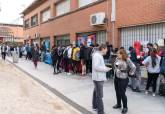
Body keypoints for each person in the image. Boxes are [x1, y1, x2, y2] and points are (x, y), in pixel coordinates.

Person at [113, 49, 136, 114]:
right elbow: (115, 66)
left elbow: (133, 67)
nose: (117, 54)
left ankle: (125, 107)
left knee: (122, 93)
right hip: (116, 77)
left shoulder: (127, 59)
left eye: (118, 53)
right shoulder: (117, 59)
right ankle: (118, 104)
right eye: (117, 53)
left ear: (122, 54)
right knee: (117, 92)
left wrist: (130, 73)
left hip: (123, 78)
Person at [92, 44, 111, 114]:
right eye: (106, 49)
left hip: (97, 77)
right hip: (98, 78)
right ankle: (100, 111)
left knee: (96, 93)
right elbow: (96, 67)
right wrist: (105, 69)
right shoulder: (97, 56)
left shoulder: (98, 55)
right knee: (99, 95)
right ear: (103, 48)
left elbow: (98, 66)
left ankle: (95, 106)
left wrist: (105, 67)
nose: (107, 50)